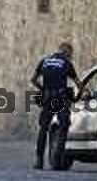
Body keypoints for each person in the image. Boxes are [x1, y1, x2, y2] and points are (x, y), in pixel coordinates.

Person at [31, 42, 82, 170]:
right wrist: (83, 93)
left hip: (48, 98)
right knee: (63, 126)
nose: (71, 56)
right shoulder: (66, 63)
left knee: (43, 128)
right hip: (60, 98)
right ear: (67, 52)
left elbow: (33, 80)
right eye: (71, 53)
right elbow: (78, 83)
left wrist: (43, 89)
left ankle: (39, 160)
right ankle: (57, 160)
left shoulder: (44, 61)